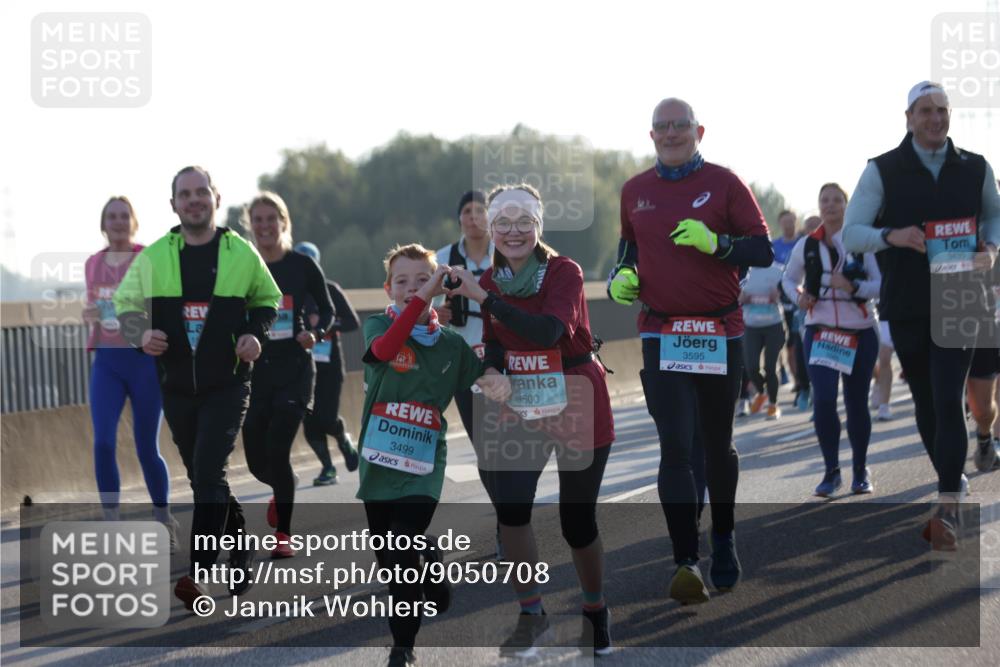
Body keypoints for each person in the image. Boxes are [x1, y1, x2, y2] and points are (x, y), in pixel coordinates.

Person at [609, 98, 772, 604]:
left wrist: (717, 244)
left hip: (719, 331)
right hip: (662, 332)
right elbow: (629, 248)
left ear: (699, 130)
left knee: (717, 446)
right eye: (663, 127)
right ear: (651, 135)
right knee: (676, 447)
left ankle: (723, 538)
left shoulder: (725, 183)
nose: (672, 133)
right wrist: (623, 276)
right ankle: (685, 560)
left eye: (681, 125)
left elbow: (762, 249)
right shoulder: (635, 191)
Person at [446, 183, 615, 657]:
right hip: (523, 403)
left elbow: (545, 332)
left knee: (576, 522)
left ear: (538, 226)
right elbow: (497, 340)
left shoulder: (564, 272)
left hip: (577, 396)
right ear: (493, 228)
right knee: (512, 509)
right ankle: (531, 614)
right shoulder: (494, 282)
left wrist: (486, 296)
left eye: (524, 221)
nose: (513, 231)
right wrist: (494, 368)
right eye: (503, 222)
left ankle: (594, 609)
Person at [842, 82, 1000, 550]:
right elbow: (852, 233)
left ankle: (948, 503)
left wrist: (990, 246)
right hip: (907, 301)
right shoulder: (882, 170)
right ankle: (949, 476)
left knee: (950, 397)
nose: (936, 119)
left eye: (943, 111)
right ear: (909, 117)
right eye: (926, 111)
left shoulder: (975, 167)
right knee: (928, 403)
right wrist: (893, 236)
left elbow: (994, 216)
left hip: (961, 297)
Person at [114, 166, 281, 607]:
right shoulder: (153, 257)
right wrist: (139, 333)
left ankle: (200, 573)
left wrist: (255, 335)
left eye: (201, 192)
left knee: (208, 472)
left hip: (227, 383)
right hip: (175, 385)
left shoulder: (240, 252)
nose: (194, 200)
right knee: (203, 477)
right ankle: (240, 541)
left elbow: (268, 300)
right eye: (185, 194)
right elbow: (125, 304)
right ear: (173, 205)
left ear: (215, 198)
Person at [357, 243, 508, 667]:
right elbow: (384, 351)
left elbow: (487, 376)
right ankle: (432, 561)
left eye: (423, 280)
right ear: (388, 290)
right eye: (401, 281)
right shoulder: (375, 327)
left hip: (422, 466)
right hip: (378, 465)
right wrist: (425, 296)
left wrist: (497, 378)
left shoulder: (452, 346)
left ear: (441, 288)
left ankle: (403, 648)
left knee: (402, 550)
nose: (412, 288)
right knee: (391, 563)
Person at [240, 193, 335, 558]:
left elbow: (327, 311)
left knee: (278, 446)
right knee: (255, 460)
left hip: (295, 369)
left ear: (284, 222)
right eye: (258, 220)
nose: (265, 226)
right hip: (255, 372)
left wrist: (316, 334)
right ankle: (283, 486)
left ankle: (283, 534)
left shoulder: (302, 265)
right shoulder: (245, 266)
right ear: (251, 225)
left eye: (271, 219)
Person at [84, 196, 176, 546]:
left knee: (145, 447)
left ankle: (163, 517)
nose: (119, 222)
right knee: (104, 442)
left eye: (125, 216)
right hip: (107, 361)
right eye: (112, 216)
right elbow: (95, 307)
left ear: (133, 222)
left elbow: (164, 304)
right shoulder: (93, 263)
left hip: (143, 362)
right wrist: (89, 316)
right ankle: (112, 522)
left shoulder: (147, 258)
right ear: (103, 223)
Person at [783, 183, 882, 496]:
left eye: (837, 200)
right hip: (821, 329)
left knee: (856, 403)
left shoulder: (861, 241)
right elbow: (787, 279)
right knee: (824, 400)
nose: (830, 205)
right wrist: (799, 296)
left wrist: (852, 287)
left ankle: (860, 470)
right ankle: (831, 472)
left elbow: (880, 284)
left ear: (846, 204)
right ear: (818, 205)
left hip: (860, 331)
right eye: (824, 200)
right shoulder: (807, 245)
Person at [293, 241, 361, 485]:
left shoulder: (330, 290)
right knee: (309, 422)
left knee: (326, 417)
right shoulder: (288, 292)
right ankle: (328, 468)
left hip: (330, 365)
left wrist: (324, 327)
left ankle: (343, 438)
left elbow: (353, 323)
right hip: (301, 366)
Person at [435, 190, 493, 436]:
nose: (473, 217)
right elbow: (423, 303)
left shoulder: (506, 253)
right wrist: (436, 313)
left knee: (507, 436)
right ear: (459, 219)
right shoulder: (444, 258)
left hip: (502, 353)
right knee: (478, 436)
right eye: (467, 211)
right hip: (462, 356)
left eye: (480, 210)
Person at [740, 262, 786, 419]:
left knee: (770, 367)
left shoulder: (778, 271)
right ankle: (762, 392)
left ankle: (773, 405)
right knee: (751, 366)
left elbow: (789, 294)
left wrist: (779, 295)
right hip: (751, 326)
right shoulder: (744, 270)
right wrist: (741, 298)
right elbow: (736, 297)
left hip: (773, 324)